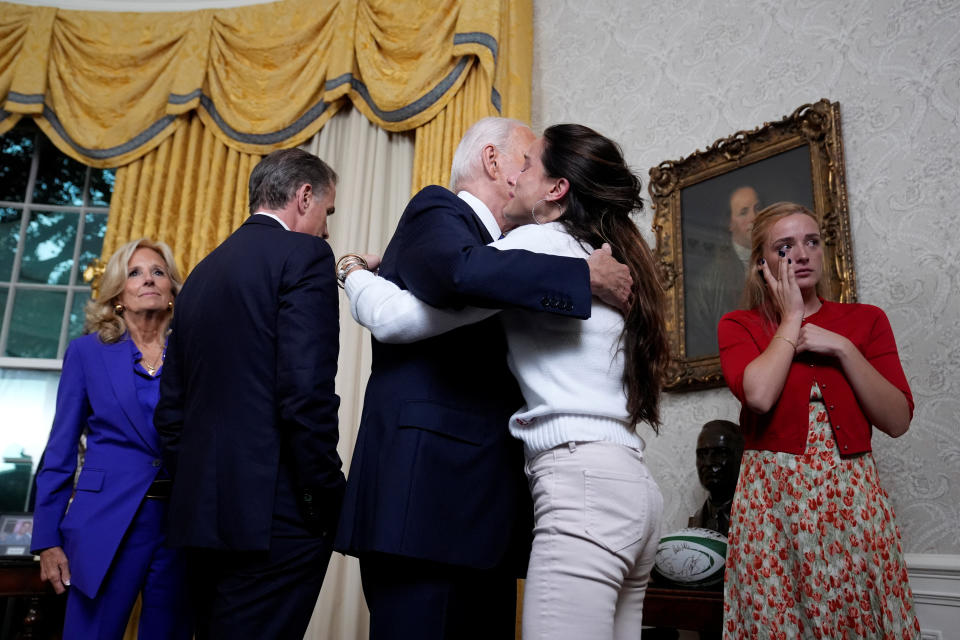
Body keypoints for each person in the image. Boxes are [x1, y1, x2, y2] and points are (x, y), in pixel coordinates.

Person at [340, 123, 669, 640]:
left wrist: (352, 269)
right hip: (620, 486)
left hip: (564, 489)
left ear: (558, 188)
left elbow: (396, 316)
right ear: (492, 162)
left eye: (532, 166)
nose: (520, 178)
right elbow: (462, 275)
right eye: (522, 160)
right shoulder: (597, 251)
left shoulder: (534, 247)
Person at [154, 149, 344, 640]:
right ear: (304, 196)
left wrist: (200, 484)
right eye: (328, 211)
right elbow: (306, 393)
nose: (326, 229)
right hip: (275, 518)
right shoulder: (305, 256)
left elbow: (170, 411)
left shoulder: (200, 274)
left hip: (201, 517)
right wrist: (326, 495)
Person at [717, 202, 921, 638]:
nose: (802, 254)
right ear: (762, 264)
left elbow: (897, 419)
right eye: (785, 246)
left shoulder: (866, 320)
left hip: (851, 500)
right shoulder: (740, 324)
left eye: (811, 241)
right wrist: (791, 317)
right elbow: (758, 394)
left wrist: (844, 349)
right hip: (772, 505)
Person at [31, 238, 191, 640]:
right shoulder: (87, 353)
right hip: (105, 521)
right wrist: (46, 539)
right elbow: (60, 448)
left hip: (182, 524)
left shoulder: (195, 352)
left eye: (158, 272)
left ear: (172, 288)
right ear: (119, 292)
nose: (148, 280)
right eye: (135, 273)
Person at [686, 185, 761, 358]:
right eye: (744, 212)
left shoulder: (779, 260)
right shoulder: (709, 280)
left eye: (757, 208)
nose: (754, 217)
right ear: (730, 223)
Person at [688, 420, 744, 536]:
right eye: (702, 454)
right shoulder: (697, 521)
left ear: (740, 457)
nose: (708, 463)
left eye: (720, 453)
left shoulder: (756, 519)